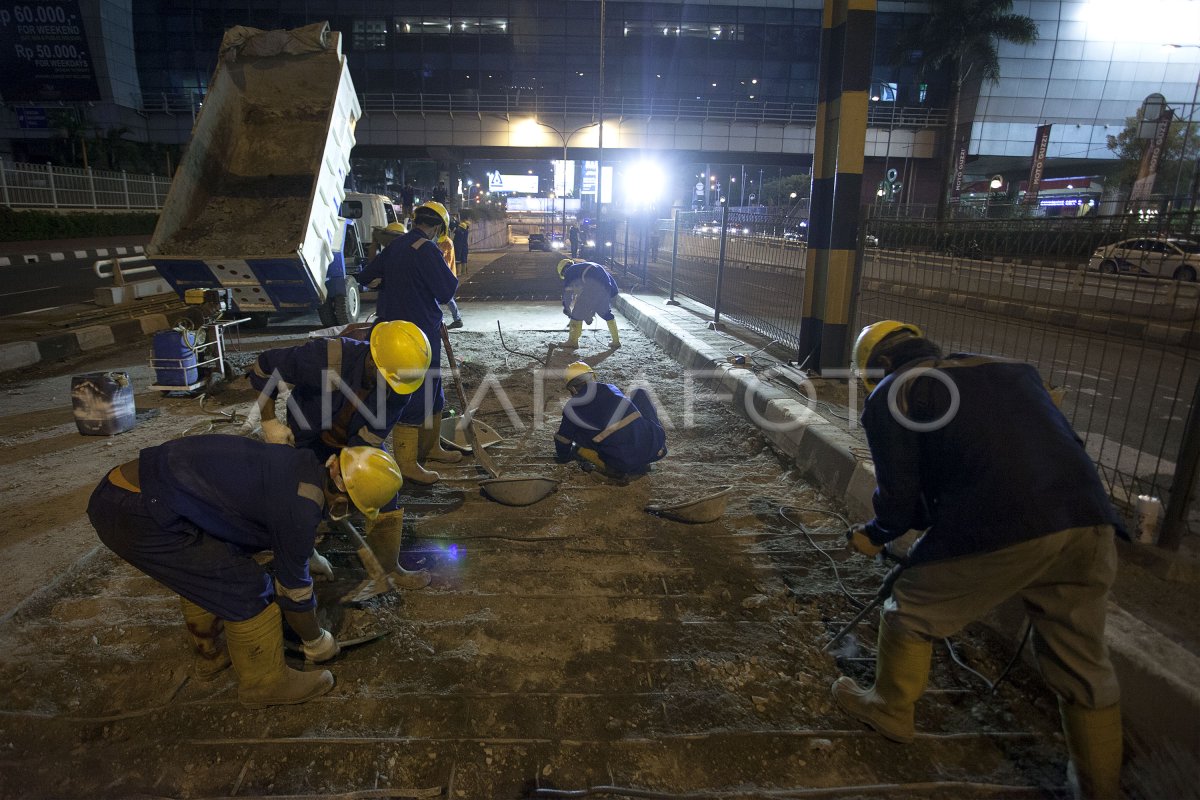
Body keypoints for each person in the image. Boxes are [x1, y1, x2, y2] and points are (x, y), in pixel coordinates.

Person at [834, 320, 1126, 800]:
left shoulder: (893, 392)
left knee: (909, 606)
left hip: (1010, 520)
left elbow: (900, 501)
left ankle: (889, 707)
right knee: (1082, 659)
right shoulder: (1006, 370)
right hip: (1088, 516)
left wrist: (875, 535)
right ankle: (1099, 788)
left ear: (879, 366)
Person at [87, 436, 403, 708]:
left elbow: (272, 506)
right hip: (134, 512)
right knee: (248, 586)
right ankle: (264, 684)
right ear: (344, 499)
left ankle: (214, 654)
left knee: (212, 568)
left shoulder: (305, 464)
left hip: (137, 488)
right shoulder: (300, 508)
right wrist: (316, 640)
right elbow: (293, 591)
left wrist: (307, 551)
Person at [248, 320, 432, 587]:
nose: (391, 389)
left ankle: (388, 567)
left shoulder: (401, 384)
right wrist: (269, 422)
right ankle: (303, 553)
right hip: (307, 437)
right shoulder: (327, 356)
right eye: (387, 380)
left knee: (384, 487)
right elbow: (264, 367)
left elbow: (370, 439)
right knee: (300, 495)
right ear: (373, 359)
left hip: (352, 441)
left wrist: (357, 482)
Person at [355, 200, 461, 485]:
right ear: (438, 227)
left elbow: (367, 277)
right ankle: (407, 463)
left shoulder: (396, 246)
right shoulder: (427, 250)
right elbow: (446, 290)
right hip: (418, 335)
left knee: (431, 388)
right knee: (417, 391)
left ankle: (431, 448)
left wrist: (392, 284)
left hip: (392, 332)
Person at [553, 361, 666, 481]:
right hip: (654, 450)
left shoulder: (572, 407)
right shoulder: (611, 388)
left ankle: (614, 470)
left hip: (622, 462)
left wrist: (564, 457)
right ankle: (648, 449)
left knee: (576, 435)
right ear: (593, 377)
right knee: (639, 393)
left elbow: (563, 439)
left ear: (572, 389)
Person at [557, 258, 620, 350]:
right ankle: (616, 341)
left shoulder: (569, 271)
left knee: (576, 313)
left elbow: (568, 292)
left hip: (594, 288)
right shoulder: (586, 267)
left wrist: (566, 307)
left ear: (563, 270)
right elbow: (611, 287)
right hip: (607, 289)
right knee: (606, 313)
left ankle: (572, 341)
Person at [437, 220, 463, 330]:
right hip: (444, 274)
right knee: (445, 298)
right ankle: (456, 319)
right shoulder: (444, 241)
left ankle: (457, 319)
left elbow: (441, 257)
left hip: (446, 275)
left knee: (446, 297)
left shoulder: (446, 242)